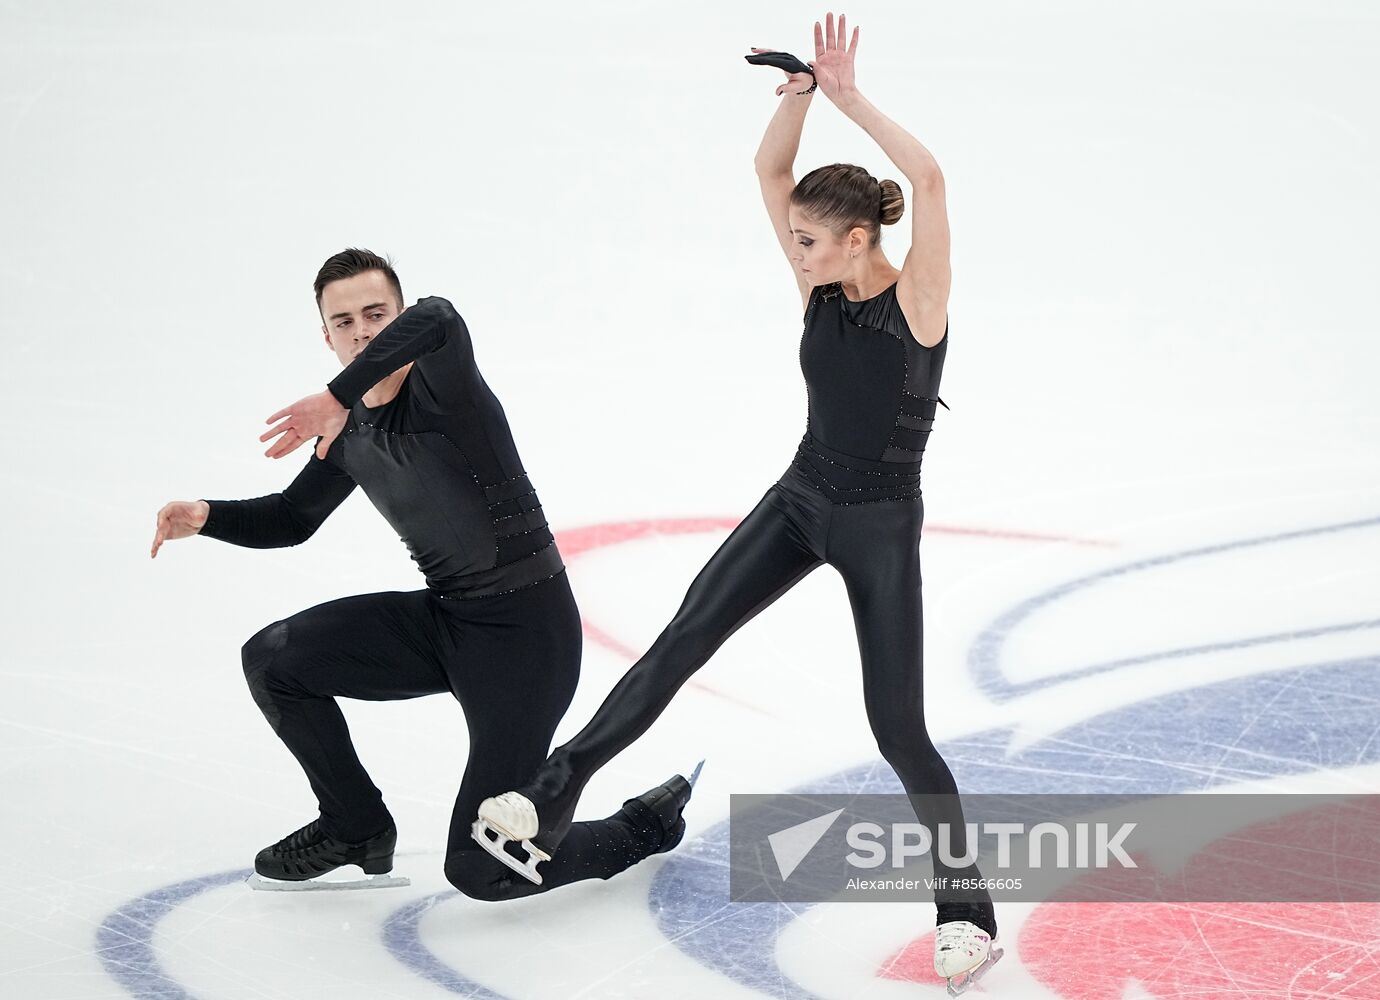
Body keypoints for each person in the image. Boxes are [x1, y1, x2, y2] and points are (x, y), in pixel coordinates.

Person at [473, 13, 1000, 992]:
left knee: (899, 730)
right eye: (793, 241)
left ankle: (965, 906)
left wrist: (849, 101)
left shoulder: (916, 300)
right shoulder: (822, 289)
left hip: (881, 524)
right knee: (680, 639)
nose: (791, 252)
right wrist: (800, 100)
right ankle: (550, 793)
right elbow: (770, 177)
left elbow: (926, 182)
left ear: (856, 238)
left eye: (809, 241)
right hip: (800, 499)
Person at [151, 247, 695, 899]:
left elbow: (441, 316)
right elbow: (293, 518)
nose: (362, 330)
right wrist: (205, 516)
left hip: (526, 641)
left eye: (376, 313)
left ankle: (641, 826)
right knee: (274, 661)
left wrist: (333, 396)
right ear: (327, 336)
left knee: (480, 867)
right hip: (447, 621)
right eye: (344, 321)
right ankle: (354, 826)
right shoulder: (348, 431)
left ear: (398, 316)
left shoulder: (444, 385)